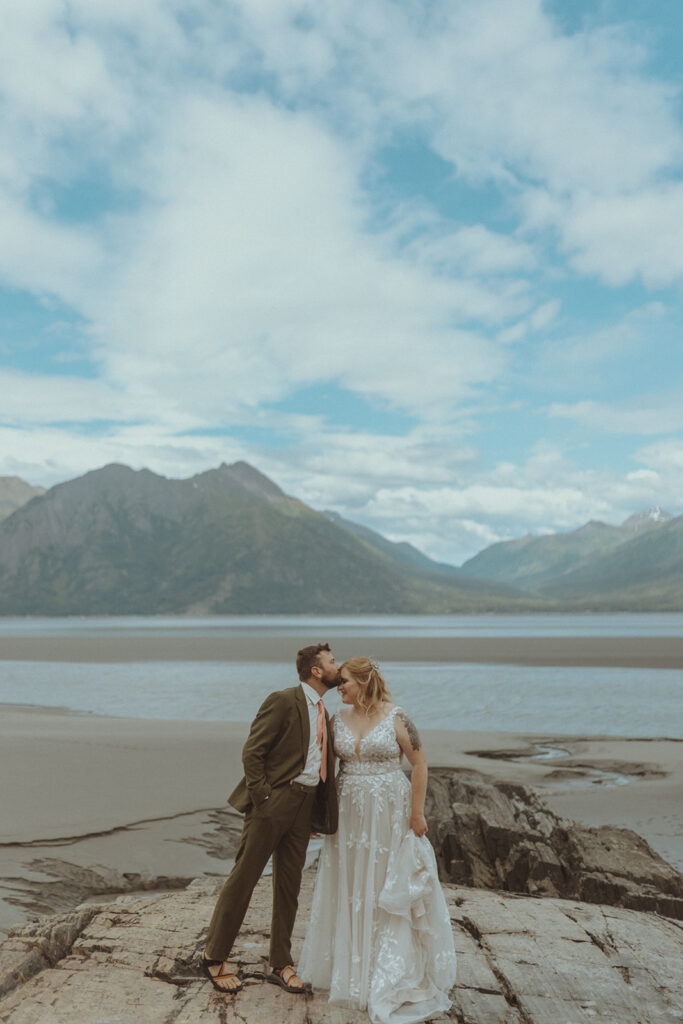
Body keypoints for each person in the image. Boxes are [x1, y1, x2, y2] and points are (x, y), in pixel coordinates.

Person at [298, 656, 457, 1023]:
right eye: (339, 684)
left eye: (346, 683)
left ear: (365, 682)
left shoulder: (397, 717)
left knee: (387, 882)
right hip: (350, 814)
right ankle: (352, 972)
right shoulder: (336, 719)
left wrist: (417, 814)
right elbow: (325, 770)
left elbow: (419, 764)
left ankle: (390, 970)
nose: (341, 689)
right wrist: (315, 815)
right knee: (352, 883)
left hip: (390, 812)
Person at [201, 643, 339, 994]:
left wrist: (314, 813)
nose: (338, 666)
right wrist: (264, 798)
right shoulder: (282, 701)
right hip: (273, 803)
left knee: (289, 887)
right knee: (244, 877)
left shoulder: (323, 710)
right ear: (316, 671)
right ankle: (214, 956)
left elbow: (317, 765)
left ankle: (281, 963)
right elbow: (253, 752)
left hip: (304, 808)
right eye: (332, 661)